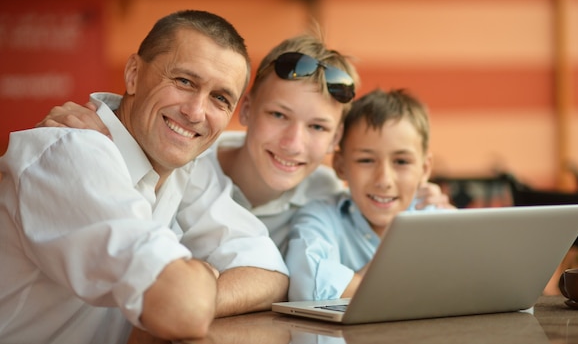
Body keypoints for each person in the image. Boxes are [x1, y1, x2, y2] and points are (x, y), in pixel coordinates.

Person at [0, 10, 288, 344]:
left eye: (219, 98)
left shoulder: (184, 166)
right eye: (184, 81)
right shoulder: (73, 154)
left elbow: (271, 273)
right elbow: (182, 311)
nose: (195, 113)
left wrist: (199, 287)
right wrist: (195, 281)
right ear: (134, 74)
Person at [37, 35, 452, 257]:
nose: (293, 143)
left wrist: (421, 204)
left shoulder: (329, 194)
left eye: (318, 127)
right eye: (279, 116)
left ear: (336, 140)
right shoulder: (182, 160)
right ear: (247, 109)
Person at [285, 88, 455, 301]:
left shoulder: (442, 221)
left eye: (401, 162)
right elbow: (308, 290)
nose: (384, 180)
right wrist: (402, 261)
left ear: (424, 169)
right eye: (366, 160)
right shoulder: (319, 218)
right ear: (340, 165)